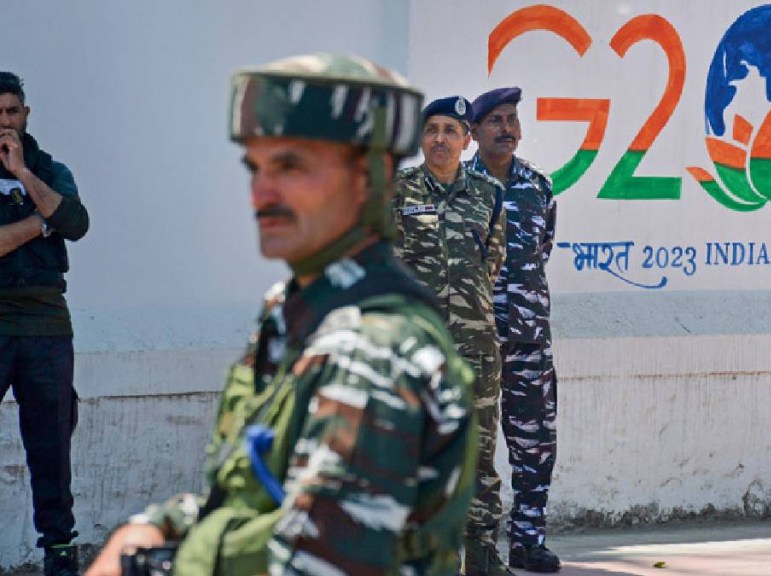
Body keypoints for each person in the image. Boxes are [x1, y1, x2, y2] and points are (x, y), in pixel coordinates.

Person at [86, 53, 477, 575]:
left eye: (290, 166)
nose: (261, 192)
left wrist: (153, 566)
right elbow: (257, 493)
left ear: (370, 176)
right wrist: (157, 527)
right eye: (256, 167)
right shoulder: (296, 308)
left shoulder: (375, 348)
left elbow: (319, 559)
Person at [392, 96, 508, 576]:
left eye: (450, 130)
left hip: (475, 348)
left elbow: (492, 265)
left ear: (466, 139)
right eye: (432, 129)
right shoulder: (396, 192)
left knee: (478, 454)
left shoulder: (488, 195)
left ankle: (481, 554)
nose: (439, 138)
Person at [0, 71, 90, 576]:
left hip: (47, 326)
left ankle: (59, 553)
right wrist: (41, 223)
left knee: (52, 446)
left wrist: (22, 172)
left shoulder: (52, 170)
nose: (4, 122)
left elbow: (76, 223)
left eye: (12, 111)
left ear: (26, 115)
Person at [468, 87, 560, 573]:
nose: (507, 129)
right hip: (476, 338)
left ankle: (528, 541)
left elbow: (542, 249)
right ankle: (478, 545)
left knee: (535, 442)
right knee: (474, 445)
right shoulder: (459, 187)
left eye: (512, 120)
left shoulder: (538, 187)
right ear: (474, 132)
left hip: (528, 336)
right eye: (496, 121)